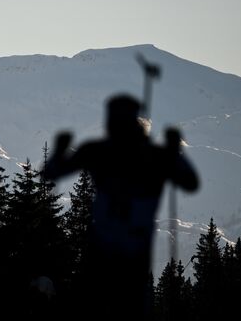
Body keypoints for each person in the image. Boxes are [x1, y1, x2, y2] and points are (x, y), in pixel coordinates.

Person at [42, 94, 198, 320]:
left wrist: (59, 150)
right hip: (135, 254)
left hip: (100, 251)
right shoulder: (156, 156)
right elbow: (189, 182)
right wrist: (175, 153)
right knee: (130, 313)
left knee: (93, 309)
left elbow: (51, 173)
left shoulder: (97, 151)